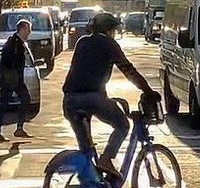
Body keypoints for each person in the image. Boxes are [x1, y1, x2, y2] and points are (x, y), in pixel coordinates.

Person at [63, 11, 160, 177]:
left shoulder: (82, 42)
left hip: (70, 100)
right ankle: (106, 159)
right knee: (122, 125)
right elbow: (128, 70)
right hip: (92, 97)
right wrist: (148, 91)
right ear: (109, 30)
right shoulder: (108, 43)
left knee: (86, 149)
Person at [0, 18, 33, 142]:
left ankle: (19, 128)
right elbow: (9, 61)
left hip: (15, 79)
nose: (29, 33)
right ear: (22, 29)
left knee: (25, 99)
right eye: (28, 30)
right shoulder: (13, 43)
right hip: (9, 79)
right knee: (4, 104)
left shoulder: (18, 43)